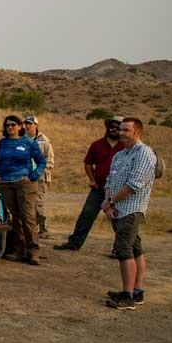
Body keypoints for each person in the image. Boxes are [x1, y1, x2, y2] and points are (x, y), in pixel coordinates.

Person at [103, 118, 157, 310]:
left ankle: (127, 297)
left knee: (123, 249)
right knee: (135, 249)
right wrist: (108, 204)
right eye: (120, 129)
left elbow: (134, 185)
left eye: (126, 130)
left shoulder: (144, 153)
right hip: (117, 209)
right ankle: (136, 291)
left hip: (132, 210)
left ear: (137, 132)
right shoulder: (120, 155)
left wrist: (111, 202)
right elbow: (109, 180)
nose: (121, 133)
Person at [55, 119, 123, 252]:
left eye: (117, 127)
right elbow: (88, 163)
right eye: (111, 127)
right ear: (107, 127)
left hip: (118, 190)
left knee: (119, 219)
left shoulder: (125, 147)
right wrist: (92, 180)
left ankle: (120, 248)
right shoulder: (97, 144)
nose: (114, 130)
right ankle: (74, 243)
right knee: (86, 215)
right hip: (98, 189)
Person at [0, 114, 46, 265]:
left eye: (13, 125)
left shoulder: (28, 142)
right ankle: (17, 250)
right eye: (7, 125)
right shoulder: (2, 143)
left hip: (24, 183)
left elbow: (41, 161)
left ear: (20, 127)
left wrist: (33, 176)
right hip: (5, 183)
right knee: (12, 218)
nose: (10, 128)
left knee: (28, 217)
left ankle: (33, 252)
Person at [23, 116, 54, 238]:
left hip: (40, 176)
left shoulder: (44, 140)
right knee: (27, 202)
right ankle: (32, 228)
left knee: (38, 203)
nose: (28, 126)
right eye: (26, 123)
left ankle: (43, 228)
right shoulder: (22, 139)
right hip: (26, 175)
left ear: (36, 125)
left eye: (30, 123)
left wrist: (41, 171)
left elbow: (50, 160)